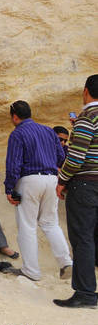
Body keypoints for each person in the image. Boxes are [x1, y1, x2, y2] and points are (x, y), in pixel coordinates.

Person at [4, 100, 72, 281]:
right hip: (51, 179)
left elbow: (14, 164)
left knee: (28, 226)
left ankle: (31, 271)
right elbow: (61, 156)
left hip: (29, 180)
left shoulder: (17, 133)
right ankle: (66, 263)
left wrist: (9, 188)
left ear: (14, 116)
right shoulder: (49, 131)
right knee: (50, 223)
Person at [54, 75, 98, 309]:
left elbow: (77, 157)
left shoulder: (86, 118)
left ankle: (85, 293)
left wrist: (62, 180)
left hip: (85, 185)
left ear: (85, 91)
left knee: (83, 239)